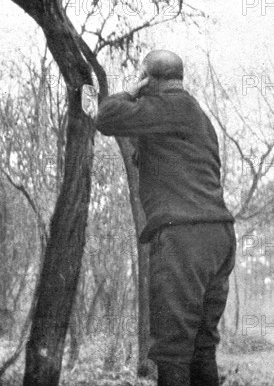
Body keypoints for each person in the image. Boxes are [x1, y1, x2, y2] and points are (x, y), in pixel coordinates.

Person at [95, 50, 236, 386]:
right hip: (218, 238)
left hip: (184, 239)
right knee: (201, 346)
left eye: (144, 78)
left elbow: (107, 116)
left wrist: (131, 88)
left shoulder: (172, 106)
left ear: (149, 78)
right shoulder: (196, 117)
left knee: (172, 350)